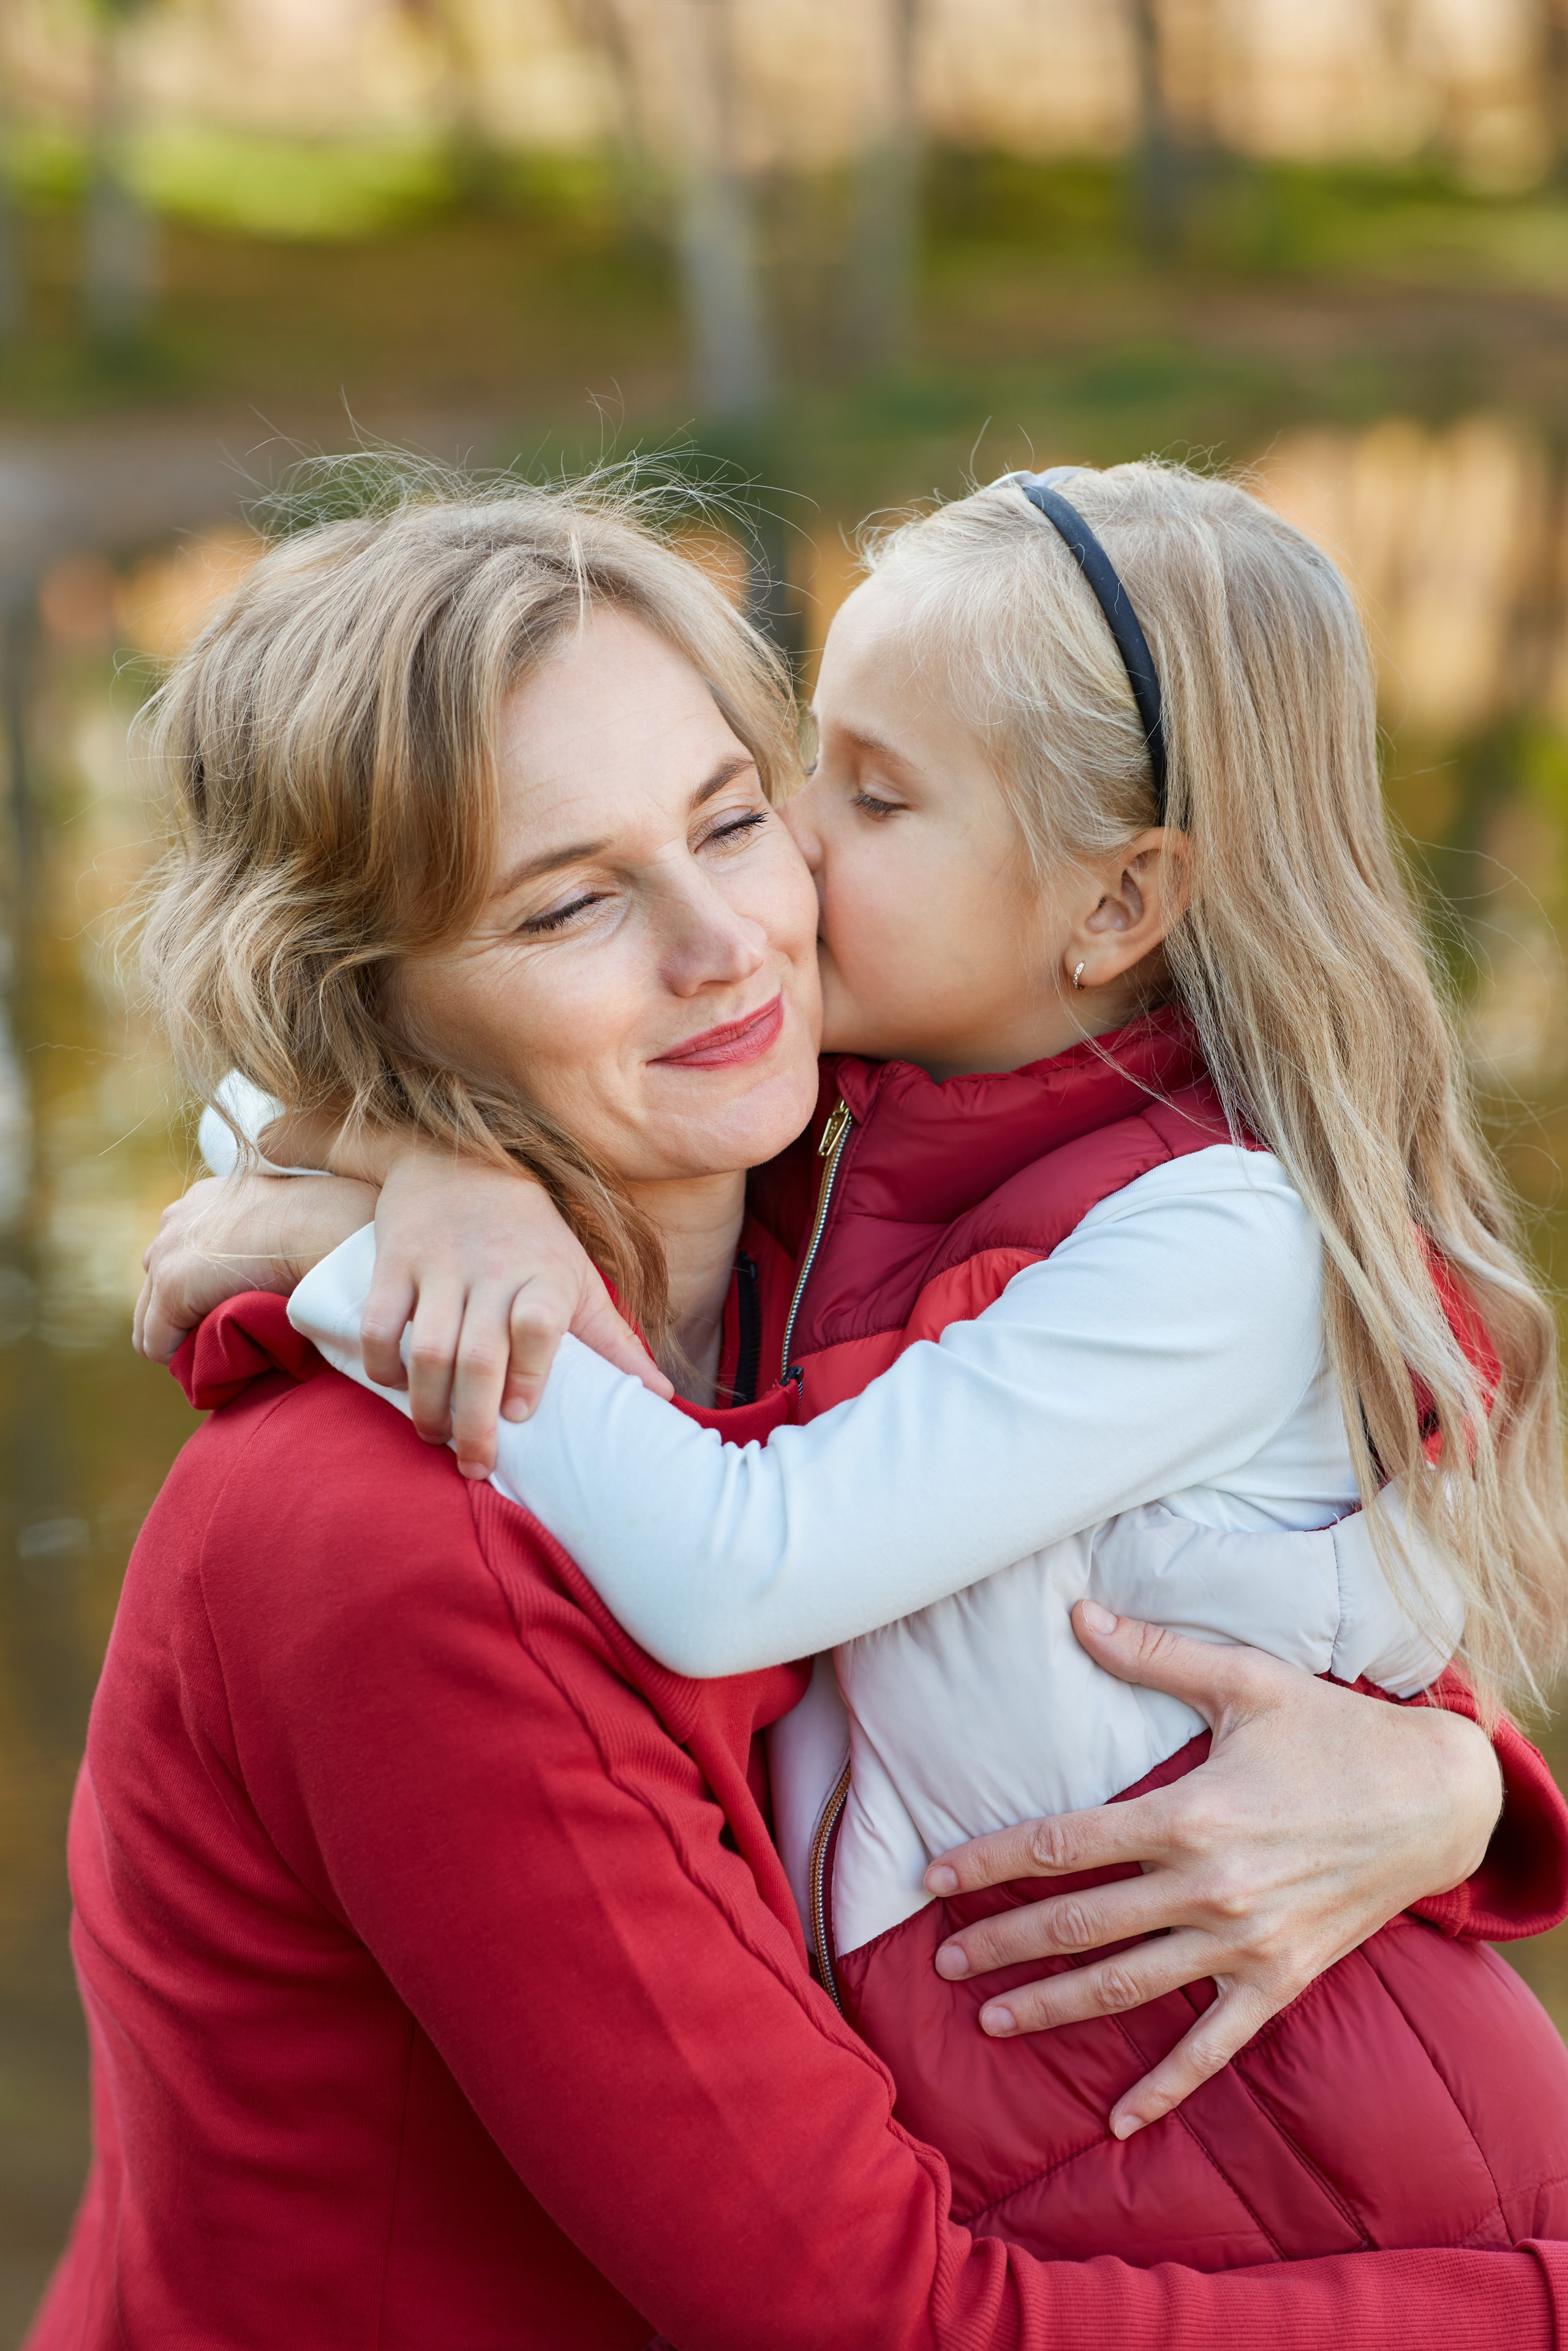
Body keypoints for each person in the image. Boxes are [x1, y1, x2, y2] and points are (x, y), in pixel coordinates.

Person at [64, 475, 1566, 2350]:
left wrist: (1446, 1780)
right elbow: (881, 2323)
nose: (731, 945)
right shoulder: (412, 1540)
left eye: (736, 818)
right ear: (378, 1009)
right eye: (569, 903)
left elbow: (1176, 1580)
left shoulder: (812, 1207)